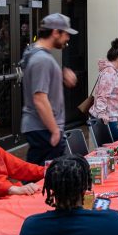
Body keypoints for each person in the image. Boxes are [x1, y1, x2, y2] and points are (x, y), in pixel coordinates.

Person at [21, 13, 79, 164]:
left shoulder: (37, 55)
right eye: (66, 33)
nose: (68, 38)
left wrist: (59, 76)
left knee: (39, 175)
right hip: (44, 128)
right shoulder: (42, 60)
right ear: (55, 32)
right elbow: (39, 98)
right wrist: (54, 130)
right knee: (46, 176)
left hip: (42, 128)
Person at [89, 39, 118, 142]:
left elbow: (113, 95)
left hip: (111, 116)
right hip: (108, 118)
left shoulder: (112, 71)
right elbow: (102, 95)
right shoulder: (109, 73)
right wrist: (102, 113)